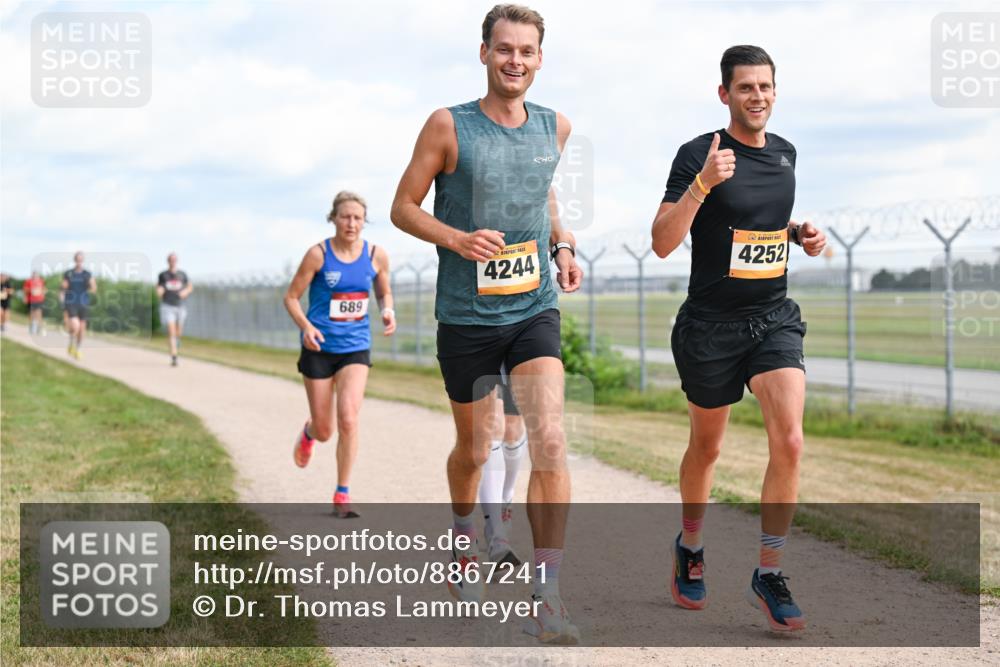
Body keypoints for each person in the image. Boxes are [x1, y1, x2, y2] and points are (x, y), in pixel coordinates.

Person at [390, 4, 583, 644]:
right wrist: (457, 238)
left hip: (533, 307)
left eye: (526, 51)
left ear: (540, 59)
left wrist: (561, 244)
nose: (515, 61)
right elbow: (402, 206)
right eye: (504, 49)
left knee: (550, 438)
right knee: (474, 450)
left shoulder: (555, 127)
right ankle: (464, 535)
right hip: (467, 316)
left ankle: (547, 595)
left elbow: (541, 191)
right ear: (484, 53)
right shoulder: (449, 125)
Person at [651, 45, 827, 632]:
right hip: (710, 328)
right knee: (707, 449)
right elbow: (662, 241)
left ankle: (769, 572)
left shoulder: (785, 153)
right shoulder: (697, 154)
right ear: (724, 94)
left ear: (776, 91)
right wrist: (702, 183)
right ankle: (690, 546)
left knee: (791, 441)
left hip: (772, 318)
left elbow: (758, 226)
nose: (757, 96)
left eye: (765, 86)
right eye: (745, 87)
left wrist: (797, 234)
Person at [284, 191, 396, 519]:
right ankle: (310, 432)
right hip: (318, 348)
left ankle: (342, 493)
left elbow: (384, 291)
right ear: (333, 218)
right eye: (345, 216)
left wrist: (387, 310)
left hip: (355, 348)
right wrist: (306, 326)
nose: (351, 223)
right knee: (325, 430)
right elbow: (291, 298)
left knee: (348, 417)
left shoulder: (376, 255)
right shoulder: (317, 255)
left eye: (358, 218)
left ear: (364, 221)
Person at [478, 367, 528, 568]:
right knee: (492, 425)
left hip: (514, 353)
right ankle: (496, 531)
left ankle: (506, 497)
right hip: (483, 352)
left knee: (512, 430)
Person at [156, 253, 193, 366]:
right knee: (171, 332)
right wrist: (159, 291)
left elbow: (190, 286)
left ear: (176, 261)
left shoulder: (182, 274)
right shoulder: (163, 275)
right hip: (168, 305)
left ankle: (177, 341)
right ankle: (174, 357)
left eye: (174, 260)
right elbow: (159, 287)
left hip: (180, 306)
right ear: (168, 261)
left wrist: (185, 292)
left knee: (178, 333)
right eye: (170, 260)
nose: (172, 262)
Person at [61, 252, 97, 359]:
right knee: (75, 326)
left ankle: (78, 349)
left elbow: (94, 288)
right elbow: (63, 287)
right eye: (77, 260)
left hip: (83, 303)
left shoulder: (87, 274)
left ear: (83, 260)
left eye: (81, 260)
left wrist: (91, 285)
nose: (79, 262)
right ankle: (72, 341)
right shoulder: (69, 273)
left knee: (82, 329)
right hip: (71, 303)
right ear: (75, 260)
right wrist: (62, 298)